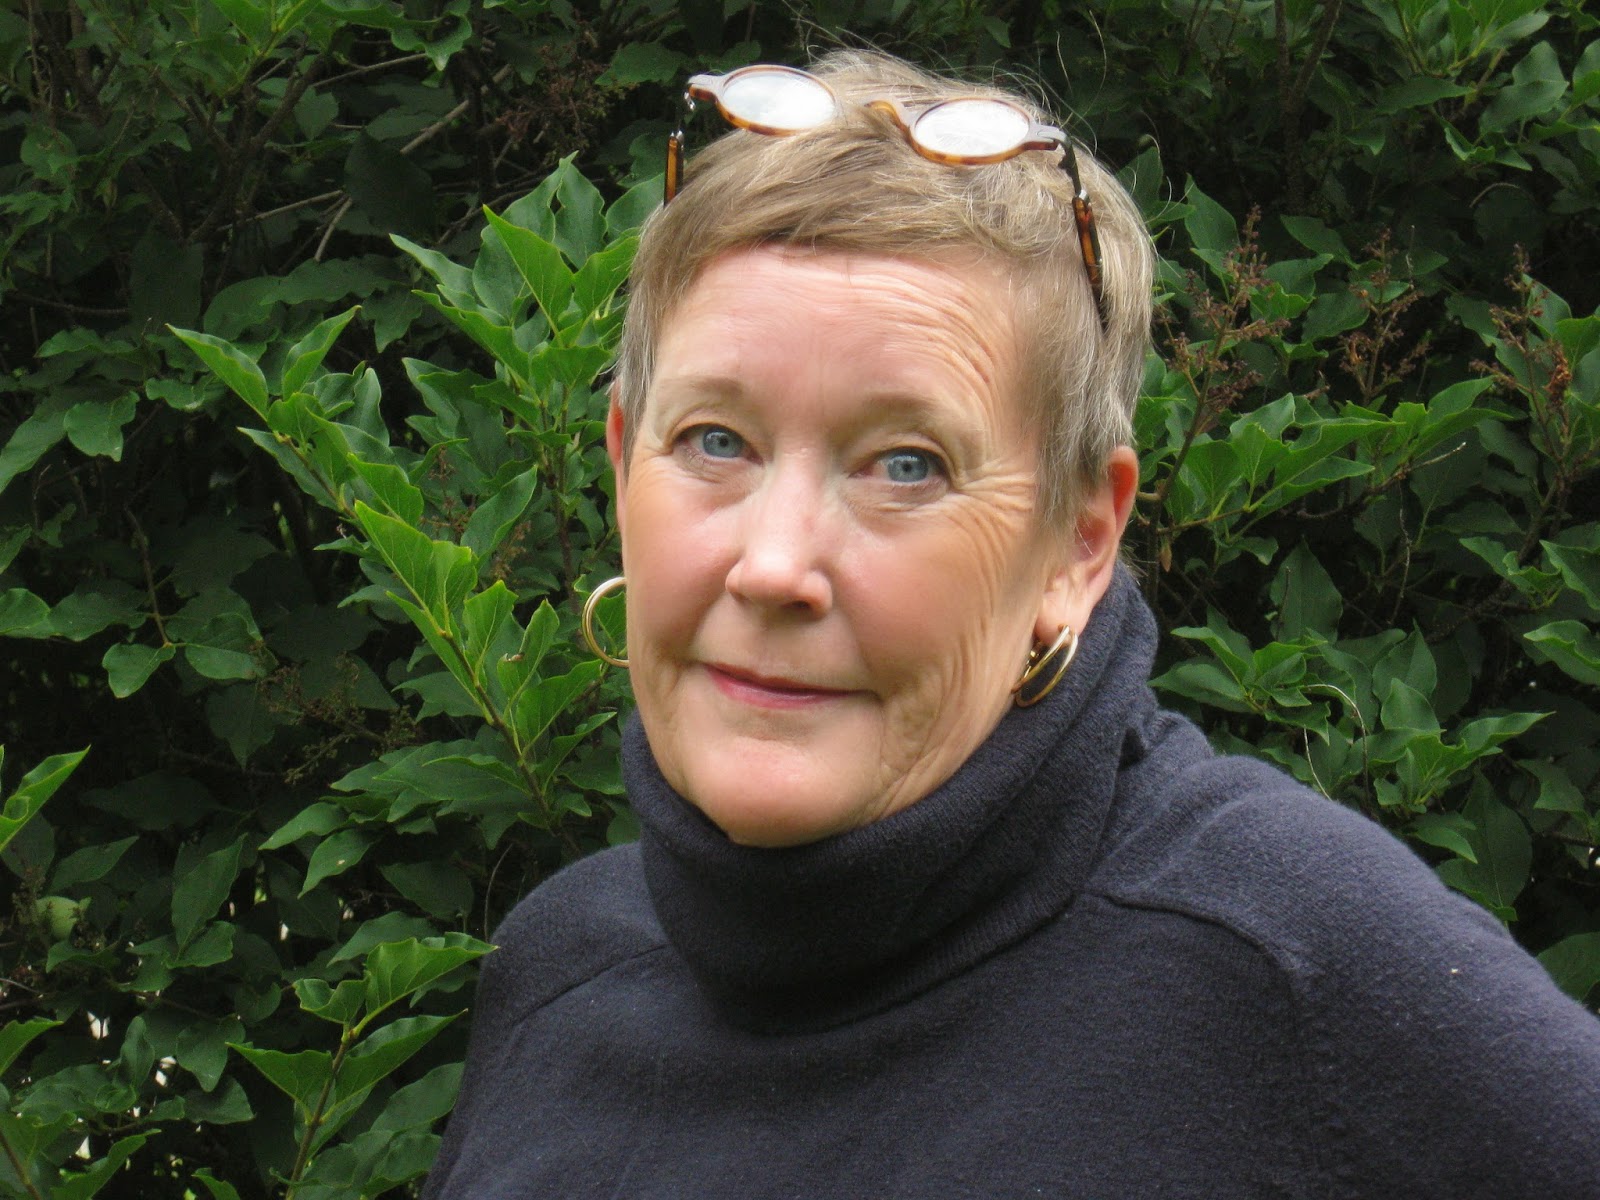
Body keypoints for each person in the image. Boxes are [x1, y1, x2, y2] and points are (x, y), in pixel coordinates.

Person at [424, 51, 1600, 1198]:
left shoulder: (1290, 962)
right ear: (622, 465)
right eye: (714, 442)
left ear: (1078, 542)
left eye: (905, 465)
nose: (774, 566)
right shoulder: (561, 972)